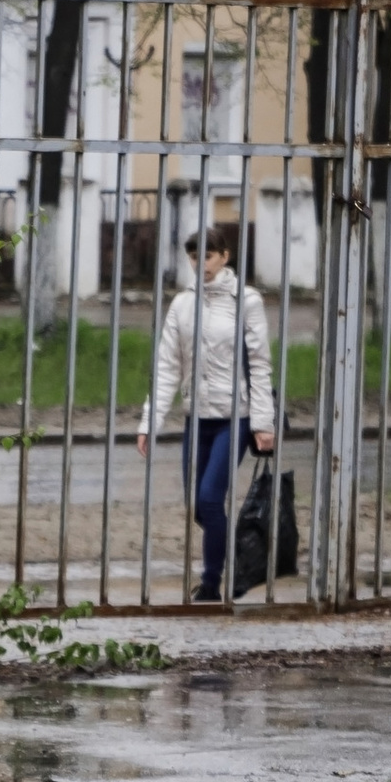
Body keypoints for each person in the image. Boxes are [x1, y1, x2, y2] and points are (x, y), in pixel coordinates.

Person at [137, 224, 277, 603]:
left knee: (212, 499)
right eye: (196, 257)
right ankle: (240, 556)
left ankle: (211, 584)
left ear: (225, 256)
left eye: (210, 256)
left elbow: (260, 364)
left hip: (237, 415)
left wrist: (264, 423)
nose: (203, 264)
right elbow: (167, 365)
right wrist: (150, 421)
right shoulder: (182, 304)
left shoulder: (246, 301)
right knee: (199, 506)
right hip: (196, 417)